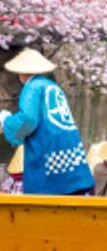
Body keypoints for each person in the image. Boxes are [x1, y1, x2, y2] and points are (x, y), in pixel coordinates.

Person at [0, 48, 94, 196]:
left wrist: (6, 121)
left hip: (48, 142)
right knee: (71, 180)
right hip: (67, 140)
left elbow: (29, 120)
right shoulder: (52, 85)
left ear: (22, 73)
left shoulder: (31, 88)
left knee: (48, 183)